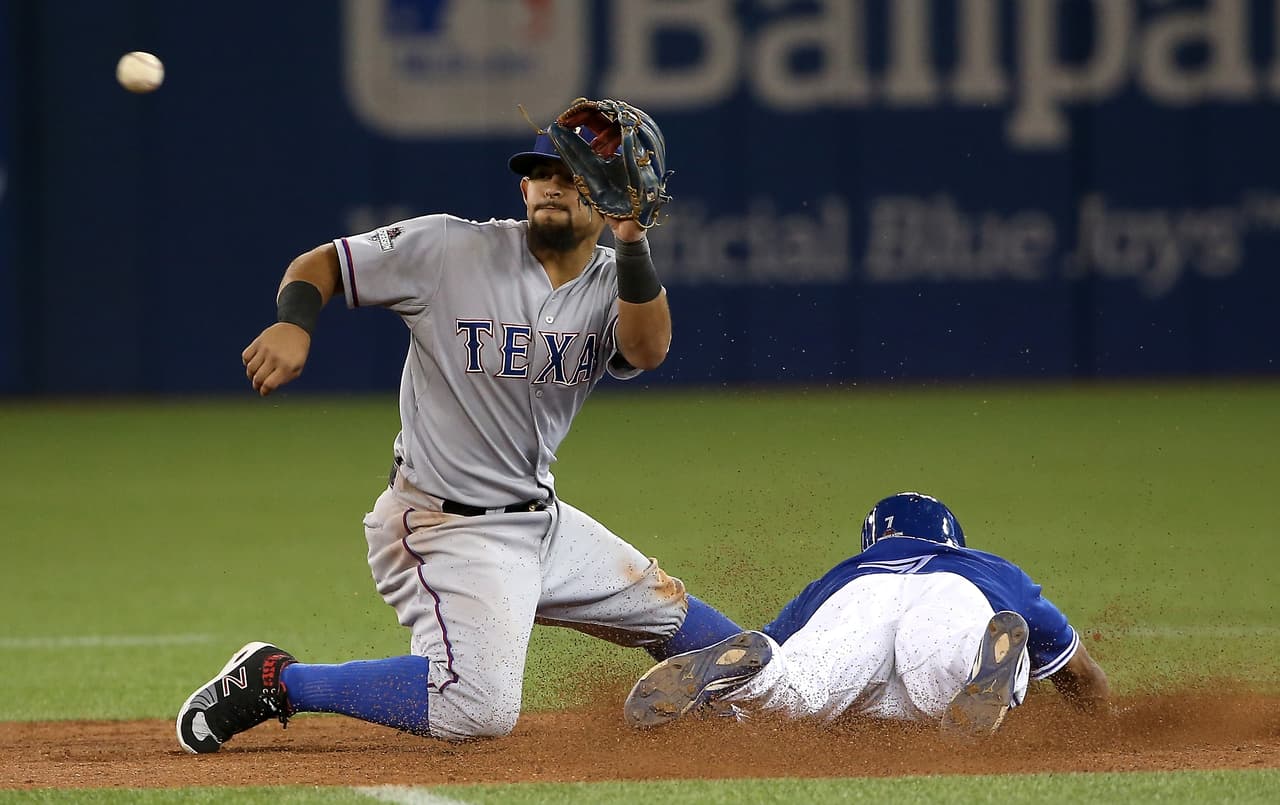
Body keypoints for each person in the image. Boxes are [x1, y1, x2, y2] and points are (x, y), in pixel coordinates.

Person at [175, 116, 743, 752]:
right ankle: (278, 680)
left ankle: (789, 692)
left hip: (542, 522)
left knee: (705, 636)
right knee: (477, 711)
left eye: (571, 175)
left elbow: (648, 349)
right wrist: (294, 323)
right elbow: (323, 263)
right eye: (540, 174)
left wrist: (633, 240)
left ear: (613, 195)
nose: (550, 186)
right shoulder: (450, 248)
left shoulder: (615, 279)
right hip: (448, 528)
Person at [623, 491, 1110, 737]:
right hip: (953, 596)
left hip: (858, 601)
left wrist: (732, 704)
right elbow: (1081, 674)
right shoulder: (987, 567)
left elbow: (785, 638)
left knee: (805, 687)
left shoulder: (844, 573)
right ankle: (985, 660)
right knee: (942, 676)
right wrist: (1105, 728)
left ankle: (758, 675)